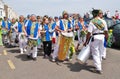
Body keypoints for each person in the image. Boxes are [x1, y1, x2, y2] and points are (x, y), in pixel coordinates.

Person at [84, 9, 108, 74]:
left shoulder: (92, 21)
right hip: (102, 37)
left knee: (95, 53)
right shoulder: (103, 21)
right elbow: (106, 32)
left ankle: (98, 68)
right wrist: (106, 39)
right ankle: (98, 65)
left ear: (93, 14)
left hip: (95, 37)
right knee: (100, 52)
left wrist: (86, 41)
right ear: (98, 14)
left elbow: (89, 33)